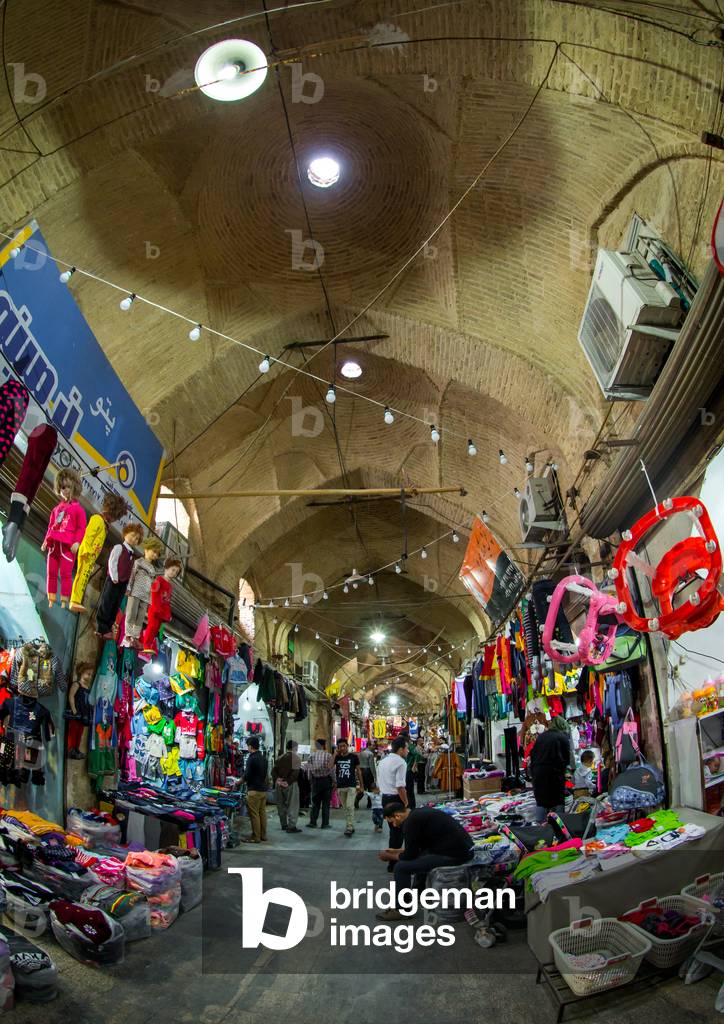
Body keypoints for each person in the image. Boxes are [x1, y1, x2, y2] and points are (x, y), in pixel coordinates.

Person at [376, 803, 474, 920]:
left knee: (401, 868)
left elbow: (409, 856)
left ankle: (402, 909)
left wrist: (389, 856)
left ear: (397, 816)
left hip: (455, 855)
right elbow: (418, 847)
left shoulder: (410, 823)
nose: (394, 825)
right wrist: (396, 851)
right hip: (461, 850)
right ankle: (418, 893)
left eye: (391, 822)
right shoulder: (417, 814)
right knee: (420, 858)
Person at [529, 716, 573, 822]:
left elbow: (533, 755)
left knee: (541, 802)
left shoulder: (542, 736)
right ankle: (560, 828)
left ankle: (540, 829)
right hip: (554, 773)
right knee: (558, 801)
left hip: (538, 774)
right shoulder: (562, 737)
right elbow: (566, 759)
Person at [376, 737, 409, 859]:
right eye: (406, 748)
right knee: (398, 832)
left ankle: (391, 860)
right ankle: (394, 861)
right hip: (396, 800)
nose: (407, 751)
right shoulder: (401, 762)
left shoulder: (383, 761)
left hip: (385, 799)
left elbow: (379, 782)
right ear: (400, 749)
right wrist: (405, 802)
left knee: (393, 830)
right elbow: (400, 786)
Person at [333, 739, 363, 836]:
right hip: (341, 786)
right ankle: (350, 826)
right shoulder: (336, 757)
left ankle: (349, 827)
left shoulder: (354, 757)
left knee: (350, 806)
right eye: (340, 746)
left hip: (351, 785)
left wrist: (361, 785)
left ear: (347, 746)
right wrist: (334, 754)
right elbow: (329, 767)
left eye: (344, 746)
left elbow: (358, 771)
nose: (342, 748)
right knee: (346, 808)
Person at [273, 739, 302, 833]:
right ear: (295, 748)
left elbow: (273, 771)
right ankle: (291, 826)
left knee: (280, 805)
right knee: (292, 805)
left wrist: (277, 779)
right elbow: (295, 773)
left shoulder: (279, 758)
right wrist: (288, 782)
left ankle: (283, 824)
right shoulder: (296, 758)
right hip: (291, 784)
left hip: (279, 784)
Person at [243, 736, 269, 843]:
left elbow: (247, 775)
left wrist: (238, 782)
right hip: (263, 790)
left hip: (254, 790)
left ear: (250, 746)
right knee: (262, 813)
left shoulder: (251, 758)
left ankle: (256, 837)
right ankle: (263, 835)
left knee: (254, 814)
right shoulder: (263, 758)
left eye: (248, 746)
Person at [306, 738, 335, 829]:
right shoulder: (328, 756)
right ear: (323, 745)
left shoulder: (311, 756)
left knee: (315, 803)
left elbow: (309, 771)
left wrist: (310, 780)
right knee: (326, 804)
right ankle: (325, 824)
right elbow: (331, 770)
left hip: (315, 781)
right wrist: (334, 781)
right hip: (326, 781)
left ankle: (313, 822)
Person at [355, 742, 377, 808]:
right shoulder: (370, 754)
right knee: (370, 788)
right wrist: (375, 775)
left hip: (361, 771)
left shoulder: (360, 753)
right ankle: (369, 804)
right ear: (369, 746)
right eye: (373, 745)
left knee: (362, 787)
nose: (374, 747)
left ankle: (357, 799)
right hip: (368, 771)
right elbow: (372, 766)